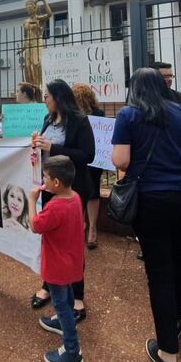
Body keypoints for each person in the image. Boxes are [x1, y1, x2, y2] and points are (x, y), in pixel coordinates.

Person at [111, 68, 181, 362]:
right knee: (178, 260)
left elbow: (120, 161)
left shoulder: (129, 115)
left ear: (134, 88)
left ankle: (168, 352)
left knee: (159, 273)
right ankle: (176, 321)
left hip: (152, 200)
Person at [30, 79, 95, 321]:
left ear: (58, 97)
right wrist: (36, 145)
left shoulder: (79, 120)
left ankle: (77, 294)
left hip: (73, 190)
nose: (44, 100)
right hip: (49, 187)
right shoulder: (48, 119)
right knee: (50, 239)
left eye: (47, 96)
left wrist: (53, 147)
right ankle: (48, 284)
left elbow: (87, 155)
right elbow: (45, 150)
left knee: (72, 242)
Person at [29, 155, 85, 362]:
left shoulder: (55, 207)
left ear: (56, 183)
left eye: (45, 177)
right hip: (71, 262)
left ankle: (72, 351)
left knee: (61, 304)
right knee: (67, 297)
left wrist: (32, 200)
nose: (43, 180)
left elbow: (35, 225)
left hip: (57, 266)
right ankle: (63, 322)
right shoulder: (75, 197)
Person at [72, 83, 104, 249]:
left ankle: (92, 228)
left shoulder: (98, 114)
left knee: (93, 191)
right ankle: (82, 225)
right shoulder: (73, 115)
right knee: (80, 191)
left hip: (95, 159)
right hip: (80, 158)